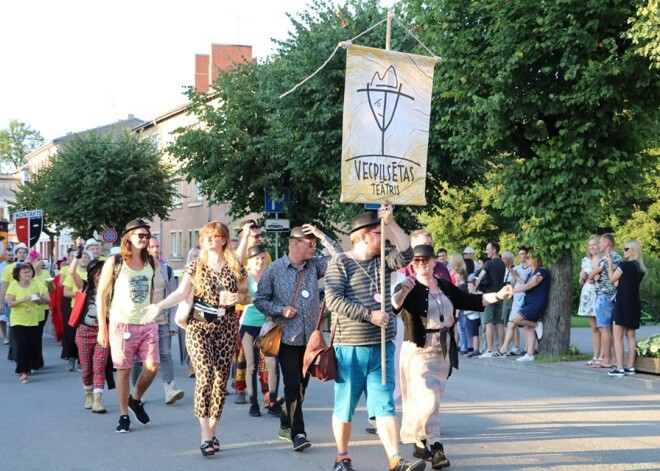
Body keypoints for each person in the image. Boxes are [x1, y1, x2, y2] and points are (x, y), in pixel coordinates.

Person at [392, 244, 512, 469]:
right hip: (418, 349)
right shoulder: (408, 286)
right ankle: (430, 444)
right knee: (427, 396)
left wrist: (498, 295)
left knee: (433, 399)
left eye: (425, 260)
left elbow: (471, 300)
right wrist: (402, 291)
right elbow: (395, 307)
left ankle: (425, 443)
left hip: (443, 347)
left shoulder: (445, 287)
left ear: (433, 262)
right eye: (416, 261)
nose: (420, 264)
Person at [324, 206, 423, 471]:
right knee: (345, 406)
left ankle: (395, 459)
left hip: (381, 347)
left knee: (385, 404)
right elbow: (333, 299)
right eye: (380, 233)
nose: (385, 238)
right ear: (365, 236)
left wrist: (391, 222)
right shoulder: (340, 262)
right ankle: (342, 457)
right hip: (350, 347)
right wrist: (370, 315)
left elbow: (406, 254)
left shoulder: (384, 260)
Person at [141, 221, 248, 456]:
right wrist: (159, 305)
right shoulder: (195, 264)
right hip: (199, 325)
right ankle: (204, 435)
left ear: (223, 240)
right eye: (206, 235)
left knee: (220, 381)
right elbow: (181, 293)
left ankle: (213, 430)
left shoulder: (235, 265)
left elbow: (247, 295)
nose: (209, 239)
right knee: (206, 374)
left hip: (227, 326)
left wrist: (237, 297)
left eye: (214, 236)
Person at [254, 224, 342, 449]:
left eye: (315, 244)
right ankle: (298, 433)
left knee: (301, 387)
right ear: (295, 243)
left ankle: (287, 420)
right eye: (310, 244)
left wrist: (322, 236)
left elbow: (340, 258)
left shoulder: (314, 267)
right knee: (292, 385)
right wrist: (280, 309)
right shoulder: (274, 270)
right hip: (287, 339)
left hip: (311, 339)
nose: (314, 248)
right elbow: (260, 300)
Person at [97, 218, 159, 434]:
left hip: (146, 323)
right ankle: (124, 415)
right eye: (139, 235)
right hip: (121, 324)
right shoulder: (115, 262)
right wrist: (102, 328)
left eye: (146, 235)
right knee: (123, 371)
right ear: (129, 237)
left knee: (152, 367)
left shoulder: (151, 261)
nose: (144, 239)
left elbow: (151, 291)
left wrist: (152, 312)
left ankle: (136, 399)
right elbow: (101, 295)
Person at [131, 236, 184, 404]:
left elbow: (173, 298)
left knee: (166, 354)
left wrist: (173, 323)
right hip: (140, 321)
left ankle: (170, 388)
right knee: (138, 358)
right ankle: (137, 391)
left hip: (161, 321)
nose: (155, 250)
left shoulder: (166, 270)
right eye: (151, 247)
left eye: (157, 246)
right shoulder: (136, 269)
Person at [240, 244, 282, 418]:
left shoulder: (271, 276)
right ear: (249, 261)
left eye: (263, 258)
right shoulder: (244, 277)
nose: (260, 261)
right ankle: (253, 403)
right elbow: (239, 298)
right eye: (256, 258)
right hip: (249, 325)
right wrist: (250, 298)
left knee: (273, 364)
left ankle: (272, 403)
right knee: (252, 365)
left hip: (268, 326)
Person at [494, 252, 550, 361]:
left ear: (536, 260)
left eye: (529, 258)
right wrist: (511, 291)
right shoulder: (531, 273)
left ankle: (536, 324)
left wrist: (512, 291)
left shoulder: (541, 271)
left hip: (536, 303)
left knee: (516, 319)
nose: (527, 259)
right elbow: (524, 285)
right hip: (528, 302)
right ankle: (529, 354)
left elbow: (529, 285)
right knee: (528, 328)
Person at [71, 255, 109, 413]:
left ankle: (98, 400)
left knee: (99, 366)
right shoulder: (86, 287)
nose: (104, 275)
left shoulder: (111, 289)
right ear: (93, 274)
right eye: (100, 272)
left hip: (103, 332)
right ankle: (88, 395)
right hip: (85, 331)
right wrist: (76, 255)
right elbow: (72, 273)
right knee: (87, 368)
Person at [6, 262, 50, 383]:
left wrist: (39, 300)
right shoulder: (13, 286)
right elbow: (10, 303)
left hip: (33, 319)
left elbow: (46, 300)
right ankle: (23, 371)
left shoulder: (36, 284)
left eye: (29, 271)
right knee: (21, 345)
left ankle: (28, 366)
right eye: (25, 272)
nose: (28, 273)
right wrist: (22, 299)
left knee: (31, 345)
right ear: (18, 274)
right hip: (18, 320)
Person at [607, 240, 645, 377]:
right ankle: (630, 367)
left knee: (617, 336)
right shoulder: (640, 269)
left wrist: (610, 264)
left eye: (626, 248)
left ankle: (619, 367)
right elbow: (625, 284)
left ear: (633, 251)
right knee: (631, 335)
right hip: (634, 303)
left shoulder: (624, 265)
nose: (624, 250)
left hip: (622, 302)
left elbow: (612, 279)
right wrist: (619, 282)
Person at [589, 234, 622, 369]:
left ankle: (607, 359)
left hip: (604, 296)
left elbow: (593, 273)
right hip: (614, 296)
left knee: (603, 328)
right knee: (612, 330)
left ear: (607, 243)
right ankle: (614, 359)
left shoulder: (608, 257)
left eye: (601, 243)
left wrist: (593, 276)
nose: (599, 245)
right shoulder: (618, 257)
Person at [63, 246, 92, 371]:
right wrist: (80, 294)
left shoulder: (93, 273)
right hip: (75, 307)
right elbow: (66, 292)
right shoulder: (73, 274)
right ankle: (71, 357)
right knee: (72, 335)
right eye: (82, 257)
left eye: (87, 257)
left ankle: (82, 361)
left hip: (89, 309)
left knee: (85, 336)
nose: (84, 259)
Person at [476, 241, 507, 357]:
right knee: (499, 323)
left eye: (488, 249)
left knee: (488, 322)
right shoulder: (502, 264)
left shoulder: (488, 264)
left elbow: (479, 277)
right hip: (500, 294)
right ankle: (501, 349)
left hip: (489, 296)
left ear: (494, 250)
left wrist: (476, 283)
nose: (486, 251)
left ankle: (489, 350)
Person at [0, 242, 30, 358]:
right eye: (20, 252)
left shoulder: (29, 266)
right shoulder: (8, 268)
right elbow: (4, 286)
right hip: (11, 300)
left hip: (27, 300)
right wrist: (0, 302)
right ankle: (13, 351)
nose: (22, 254)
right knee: (13, 326)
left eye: (24, 252)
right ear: (16, 254)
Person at [577, 237, 602, 365]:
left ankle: (603, 356)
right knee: (594, 328)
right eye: (589, 245)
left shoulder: (603, 260)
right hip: (588, 295)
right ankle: (596, 356)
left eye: (594, 245)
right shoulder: (586, 260)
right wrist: (582, 277)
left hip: (600, 294)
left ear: (599, 245)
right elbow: (581, 280)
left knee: (602, 326)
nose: (591, 247)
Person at [508, 246, 533, 356]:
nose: (520, 256)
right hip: (517, 297)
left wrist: (516, 276)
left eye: (522, 253)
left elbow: (527, 284)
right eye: (519, 254)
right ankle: (513, 347)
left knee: (527, 325)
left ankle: (527, 349)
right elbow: (513, 283)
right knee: (511, 323)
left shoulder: (531, 269)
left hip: (526, 297)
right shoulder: (517, 268)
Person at [465, 275, 483, 357]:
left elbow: (477, 308)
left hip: (474, 318)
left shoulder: (477, 295)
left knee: (475, 334)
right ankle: (476, 349)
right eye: (468, 286)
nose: (468, 288)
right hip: (471, 318)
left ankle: (476, 350)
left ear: (475, 286)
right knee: (473, 334)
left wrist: (467, 312)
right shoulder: (471, 295)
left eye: (470, 286)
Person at [0, 247, 15, 344]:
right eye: (8, 255)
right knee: (2, 318)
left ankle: (13, 336)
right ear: (4, 256)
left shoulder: (16, 266)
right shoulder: (1, 266)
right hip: (2, 292)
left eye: (12, 255)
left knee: (11, 317)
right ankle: (5, 336)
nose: (11, 257)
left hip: (13, 293)